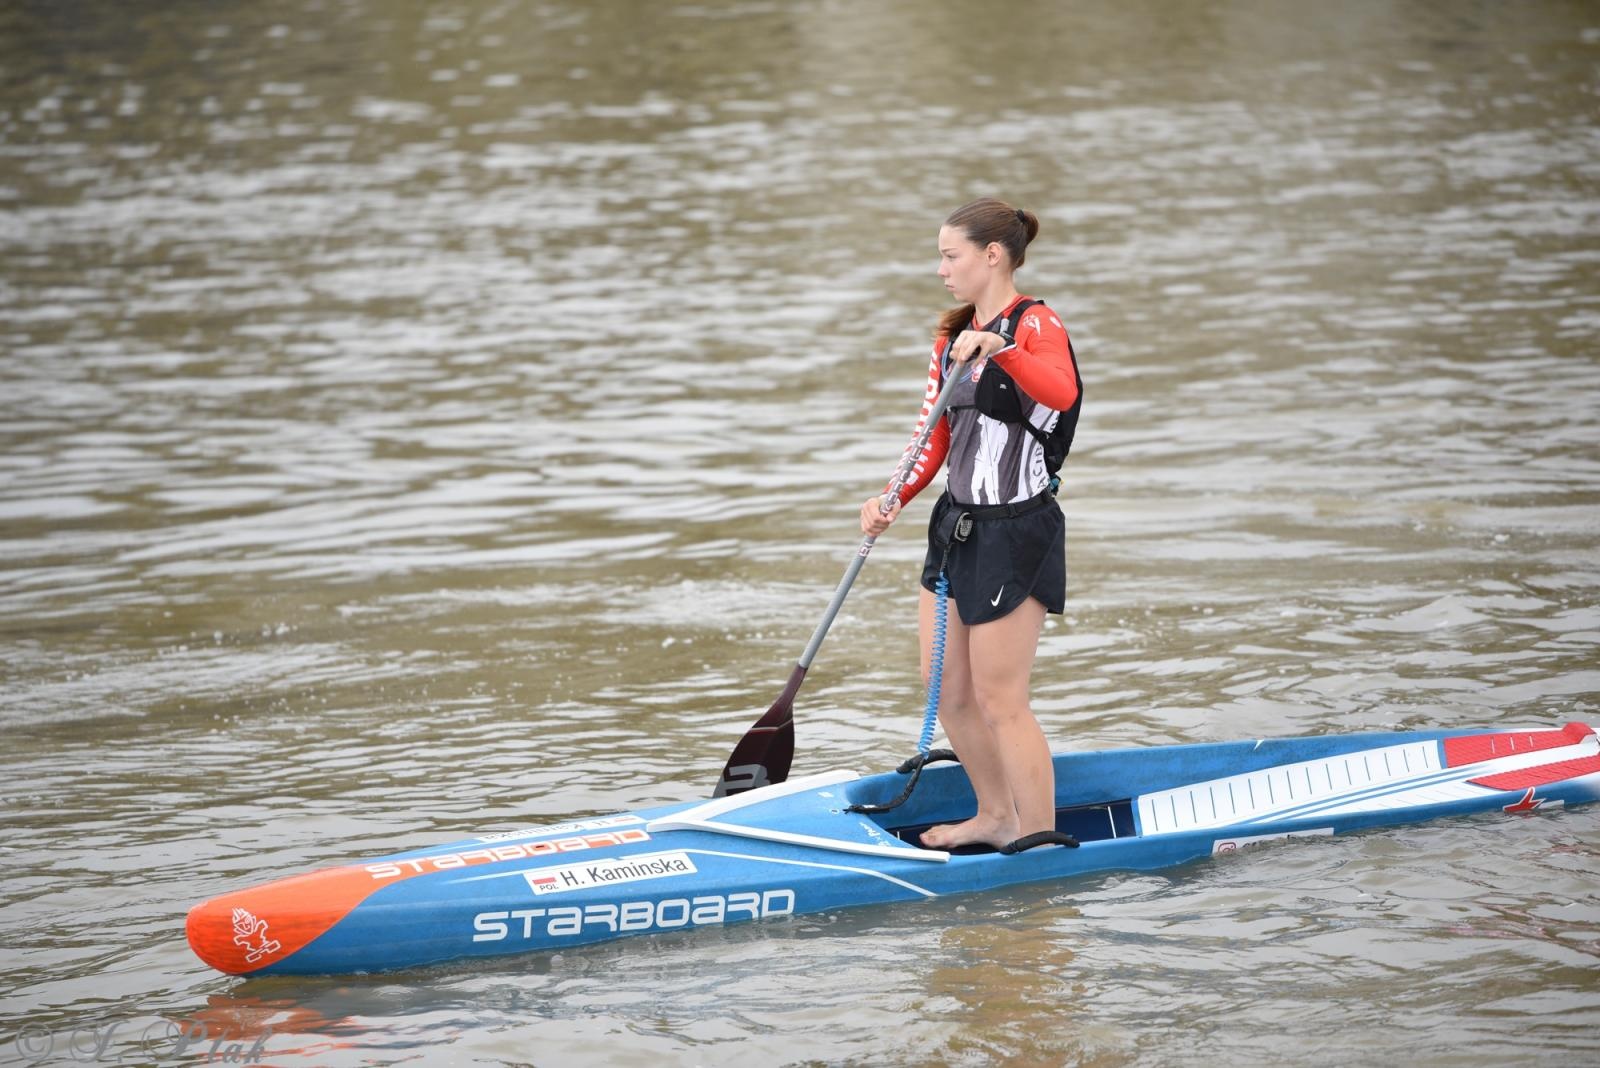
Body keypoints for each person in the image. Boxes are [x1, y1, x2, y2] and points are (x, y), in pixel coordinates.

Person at [859, 197, 1082, 852]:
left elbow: (1060, 392)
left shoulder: (1039, 325)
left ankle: (1039, 838)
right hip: (955, 527)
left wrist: (1002, 350)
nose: (941, 270)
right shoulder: (947, 340)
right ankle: (994, 816)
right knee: (949, 692)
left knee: (1000, 700)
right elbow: (931, 437)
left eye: (950, 256)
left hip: (1018, 532)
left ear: (992, 256)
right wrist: (889, 497)